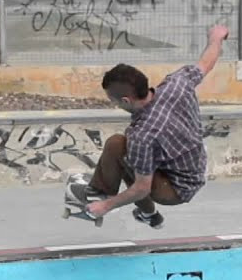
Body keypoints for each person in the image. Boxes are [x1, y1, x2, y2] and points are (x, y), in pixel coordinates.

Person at [70, 23, 228, 228]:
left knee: (119, 148)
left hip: (174, 189)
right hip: (193, 169)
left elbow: (141, 189)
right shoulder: (177, 84)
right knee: (125, 149)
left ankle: (102, 198)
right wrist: (216, 37)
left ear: (126, 100)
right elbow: (206, 62)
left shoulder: (143, 136)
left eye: (113, 101)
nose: (115, 104)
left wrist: (106, 206)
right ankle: (145, 213)